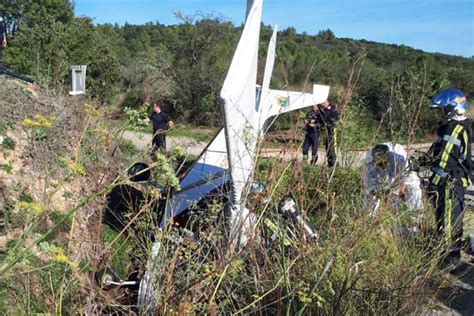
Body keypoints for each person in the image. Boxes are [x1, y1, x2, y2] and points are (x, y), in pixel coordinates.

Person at [426, 88, 471, 264]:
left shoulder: (454, 129)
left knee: (449, 220)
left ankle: (450, 258)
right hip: (452, 181)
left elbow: (445, 161)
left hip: (451, 181)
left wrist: (433, 183)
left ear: (451, 108)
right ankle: (446, 253)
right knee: (447, 217)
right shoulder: (457, 127)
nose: (440, 114)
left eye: (441, 110)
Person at [363, 142, 423, 216]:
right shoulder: (369, 166)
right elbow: (369, 185)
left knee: (413, 187)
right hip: (383, 181)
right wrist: (382, 194)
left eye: (383, 163)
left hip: (401, 175)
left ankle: (415, 215)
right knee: (370, 197)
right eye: (379, 164)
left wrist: (402, 189)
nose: (382, 166)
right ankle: (370, 219)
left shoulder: (399, 158)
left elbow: (407, 175)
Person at [318, 100, 339, 167]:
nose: (322, 105)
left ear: (327, 102)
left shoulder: (332, 109)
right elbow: (322, 119)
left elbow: (334, 119)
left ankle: (334, 162)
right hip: (327, 131)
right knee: (328, 147)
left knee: (333, 146)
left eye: (323, 103)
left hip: (332, 130)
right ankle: (330, 162)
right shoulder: (326, 110)